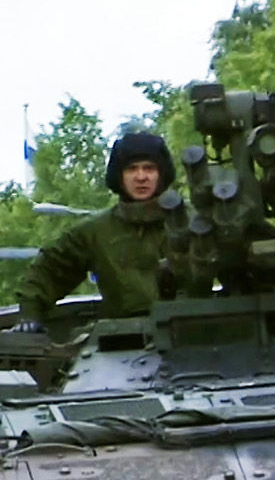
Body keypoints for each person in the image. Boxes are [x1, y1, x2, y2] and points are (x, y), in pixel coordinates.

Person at [14, 132, 177, 337]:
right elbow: (50, 270)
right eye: (131, 169)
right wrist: (30, 314)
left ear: (162, 173)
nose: (141, 177)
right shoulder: (97, 231)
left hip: (192, 332)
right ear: (119, 176)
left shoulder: (191, 221)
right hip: (123, 336)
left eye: (149, 168)